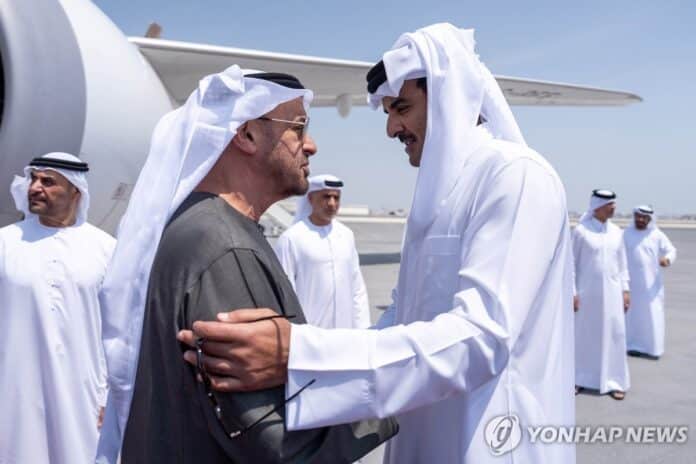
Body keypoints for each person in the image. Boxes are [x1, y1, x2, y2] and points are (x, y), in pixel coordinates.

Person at [179, 24, 576, 463]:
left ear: (450, 97)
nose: (391, 128)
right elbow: (404, 317)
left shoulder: (515, 177)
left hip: (491, 438)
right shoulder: (440, 195)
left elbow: (482, 338)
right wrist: (289, 358)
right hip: (423, 432)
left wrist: (300, 354)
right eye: (388, 112)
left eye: (401, 108)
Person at [96, 67, 396, 464]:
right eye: (298, 129)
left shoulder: (204, 227)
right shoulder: (224, 247)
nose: (311, 146)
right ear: (247, 134)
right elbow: (281, 442)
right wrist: (394, 393)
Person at [0, 152, 115, 464]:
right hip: (14, 388)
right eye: (34, 179)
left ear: (75, 191)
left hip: (83, 391)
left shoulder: (106, 249)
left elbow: (119, 330)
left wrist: (110, 395)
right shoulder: (5, 243)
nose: (35, 187)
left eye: (48, 182)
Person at [274, 174, 371, 329]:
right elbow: (284, 294)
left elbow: (357, 288)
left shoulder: (346, 235)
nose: (332, 203)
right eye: (326, 197)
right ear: (310, 199)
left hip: (346, 334)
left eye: (336, 198)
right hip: (310, 334)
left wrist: (363, 329)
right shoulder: (291, 239)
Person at [573, 189, 631, 400]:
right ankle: (578, 379)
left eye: (614, 204)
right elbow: (571, 264)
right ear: (597, 207)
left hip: (614, 295)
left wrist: (626, 290)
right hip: (587, 295)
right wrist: (572, 292)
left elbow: (622, 265)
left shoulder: (617, 232)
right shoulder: (581, 231)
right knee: (585, 337)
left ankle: (615, 382)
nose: (614, 208)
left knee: (615, 335)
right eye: (610, 205)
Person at [623, 205, 677, 358]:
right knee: (631, 316)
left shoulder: (657, 235)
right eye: (638, 216)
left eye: (644, 217)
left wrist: (667, 259)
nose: (640, 220)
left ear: (650, 219)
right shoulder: (625, 234)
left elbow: (671, 250)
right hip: (630, 285)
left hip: (651, 286)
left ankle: (653, 349)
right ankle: (632, 346)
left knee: (652, 315)